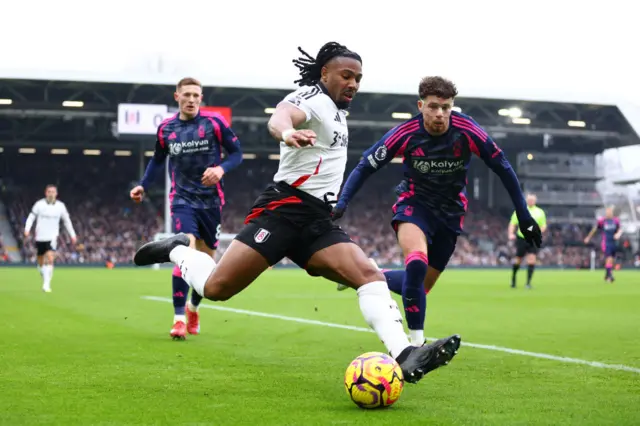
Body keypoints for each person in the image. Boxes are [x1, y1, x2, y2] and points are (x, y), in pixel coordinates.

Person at [133, 42, 460, 383]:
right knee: (216, 288)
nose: (353, 83)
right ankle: (176, 249)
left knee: (369, 275)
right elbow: (281, 116)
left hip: (317, 221)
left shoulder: (336, 111)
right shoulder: (312, 98)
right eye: (346, 75)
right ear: (324, 74)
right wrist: (288, 132)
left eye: (358, 78)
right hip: (283, 211)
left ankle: (405, 355)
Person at [331, 76, 542, 346]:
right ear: (421, 105)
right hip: (414, 206)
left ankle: (369, 273)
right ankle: (416, 345)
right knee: (416, 263)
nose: (440, 113)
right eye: (433, 106)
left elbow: (503, 167)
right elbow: (365, 165)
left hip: (451, 214)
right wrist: (343, 201)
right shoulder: (405, 133)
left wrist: (524, 216)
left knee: (422, 286)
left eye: (446, 107)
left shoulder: (467, 130)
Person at [130, 77, 243, 340]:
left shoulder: (214, 123)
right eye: (187, 95)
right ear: (177, 97)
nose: (192, 99)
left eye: (196, 95)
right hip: (182, 200)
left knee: (206, 264)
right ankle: (179, 318)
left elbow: (237, 153)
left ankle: (193, 308)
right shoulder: (166, 129)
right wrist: (143, 185)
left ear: (201, 98)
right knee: (184, 253)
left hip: (212, 202)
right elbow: (157, 161)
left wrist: (220, 168)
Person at [24, 184, 77, 292]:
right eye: (49, 192)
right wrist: (27, 229)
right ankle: (44, 276)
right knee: (41, 263)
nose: (51, 194)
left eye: (53, 192)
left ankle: (46, 285)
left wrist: (73, 235)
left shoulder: (60, 206)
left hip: (52, 236)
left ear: (56, 194)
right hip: (40, 236)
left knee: (50, 258)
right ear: (45, 193)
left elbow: (67, 221)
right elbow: (31, 217)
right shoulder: (39, 205)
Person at [508, 193, 547, 289]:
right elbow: (512, 223)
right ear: (526, 200)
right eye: (529, 200)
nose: (530, 201)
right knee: (518, 259)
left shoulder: (540, 212)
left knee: (532, 259)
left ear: (535, 201)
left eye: (532, 200)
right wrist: (510, 234)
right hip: (522, 237)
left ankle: (528, 283)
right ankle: (513, 279)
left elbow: (543, 225)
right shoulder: (520, 210)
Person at [584, 206, 622, 282]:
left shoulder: (616, 221)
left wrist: (618, 234)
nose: (609, 214)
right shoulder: (602, 221)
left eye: (610, 212)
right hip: (606, 242)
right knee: (609, 258)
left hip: (613, 242)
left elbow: (620, 229)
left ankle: (607, 275)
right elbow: (594, 229)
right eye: (607, 212)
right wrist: (588, 237)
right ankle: (610, 276)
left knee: (612, 260)